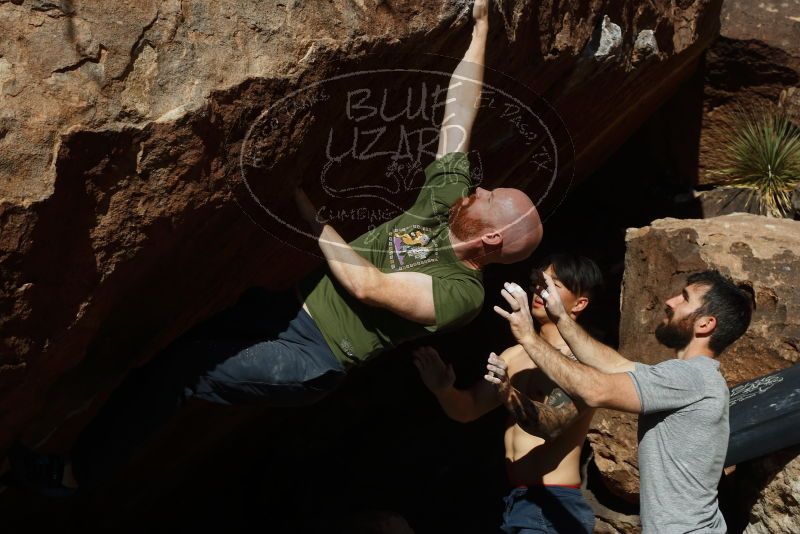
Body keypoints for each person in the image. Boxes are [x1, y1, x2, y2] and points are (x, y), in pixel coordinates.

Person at [9, 0, 544, 496]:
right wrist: (481, 28)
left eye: (488, 195)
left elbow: (367, 285)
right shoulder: (448, 202)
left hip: (310, 355)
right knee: (165, 358)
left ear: (490, 236)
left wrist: (309, 212)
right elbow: (459, 114)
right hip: (283, 306)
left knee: (178, 372)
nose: (478, 186)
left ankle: (72, 475)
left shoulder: (462, 294)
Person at [494, 270, 753, 533]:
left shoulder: (691, 378)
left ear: (705, 324)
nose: (671, 301)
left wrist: (528, 337)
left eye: (684, 298)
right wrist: (561, 316)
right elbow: (614, 364)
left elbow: (595, 390)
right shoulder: (683, 376)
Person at [414, 254, 603, 534]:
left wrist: (507, 392)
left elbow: (550, 426)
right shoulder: (514, 355)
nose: (541, 291)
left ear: (580, 303)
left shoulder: (581, 362)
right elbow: (467, 410)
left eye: (555, 285)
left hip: (554, 504)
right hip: (516, 501)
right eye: (539, 283)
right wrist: (444, 390)